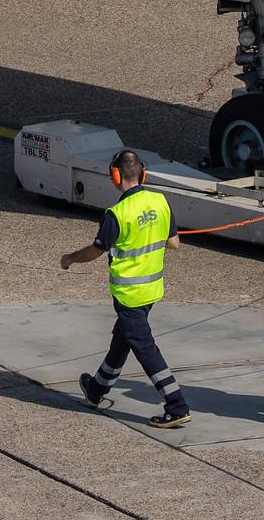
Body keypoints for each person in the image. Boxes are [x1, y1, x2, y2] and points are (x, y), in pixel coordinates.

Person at [59, 148, 194, 428]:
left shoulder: (117, 213)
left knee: (144, 348)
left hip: (128, 295)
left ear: (115, 175)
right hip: (152, 290)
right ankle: (97, 389)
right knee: (123, 339)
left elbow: (96, 250)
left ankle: (177, 405)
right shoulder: (160, 201)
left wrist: (71, 258)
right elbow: (175, 244)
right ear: (143, 173)